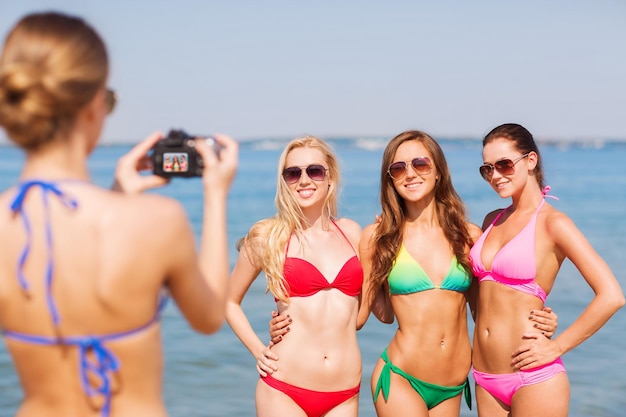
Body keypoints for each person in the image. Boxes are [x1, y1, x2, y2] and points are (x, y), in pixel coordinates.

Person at [0, 11, 238, 417]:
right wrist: (215, 196)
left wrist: (115, 194)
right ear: (94, 106)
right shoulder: (156, 221)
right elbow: (210, 315)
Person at [269, 130, 558, 417]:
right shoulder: (379, 237)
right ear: (390, 180)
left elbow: (484, 309)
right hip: (400, 378)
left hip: (453, 385)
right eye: (398, 168)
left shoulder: (468, 235)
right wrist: (293, 317)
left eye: (420, 164)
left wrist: (534, 318)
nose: (410, 174)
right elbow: (370, 315)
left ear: (438, 172)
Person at [470, 123, 624, 417]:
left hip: (534, 377)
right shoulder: (491, 219)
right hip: (485, 376)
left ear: (530, 161)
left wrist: (558, 347)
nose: (495, 176)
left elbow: (611, 295)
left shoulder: (555, 224)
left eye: (503, 165)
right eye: (487, 169)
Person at [226, 135, 363, 417]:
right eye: (293, 173)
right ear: (284, 182)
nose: (304, 180)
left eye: (314, 170)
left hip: (345, 394)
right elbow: (229, 301)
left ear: (330, 177)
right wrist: (257, 350)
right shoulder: (269, 237)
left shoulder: (352, 233)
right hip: (284, 389)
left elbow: (361, 313)